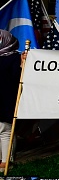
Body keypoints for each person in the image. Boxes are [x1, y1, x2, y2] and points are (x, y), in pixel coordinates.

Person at [0, 30, 21, 172]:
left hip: (6, 99)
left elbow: (17, 78)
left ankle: (6, 163)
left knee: (5, 130)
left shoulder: (15, 58)